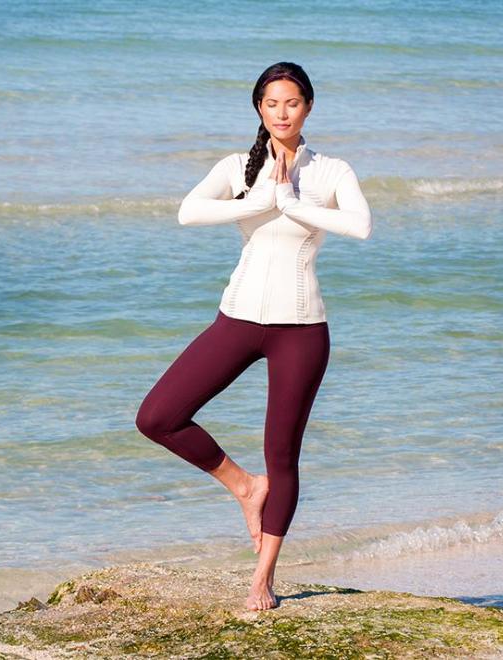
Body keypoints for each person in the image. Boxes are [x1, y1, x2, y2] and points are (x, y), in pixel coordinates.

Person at [135, 61, 372, 611]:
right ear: (259, 109)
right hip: (237, 318)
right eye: (271, 103)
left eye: (292, 103)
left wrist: (293, 203)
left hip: (302, 328)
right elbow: (187, 213)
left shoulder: (331, 171)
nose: (282, 113)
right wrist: (262, 199)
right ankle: (245, 486)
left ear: (308, 106)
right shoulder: (237, 167)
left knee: (283, 452)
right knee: (157, 416)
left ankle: (262, 577)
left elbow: (361, 225)